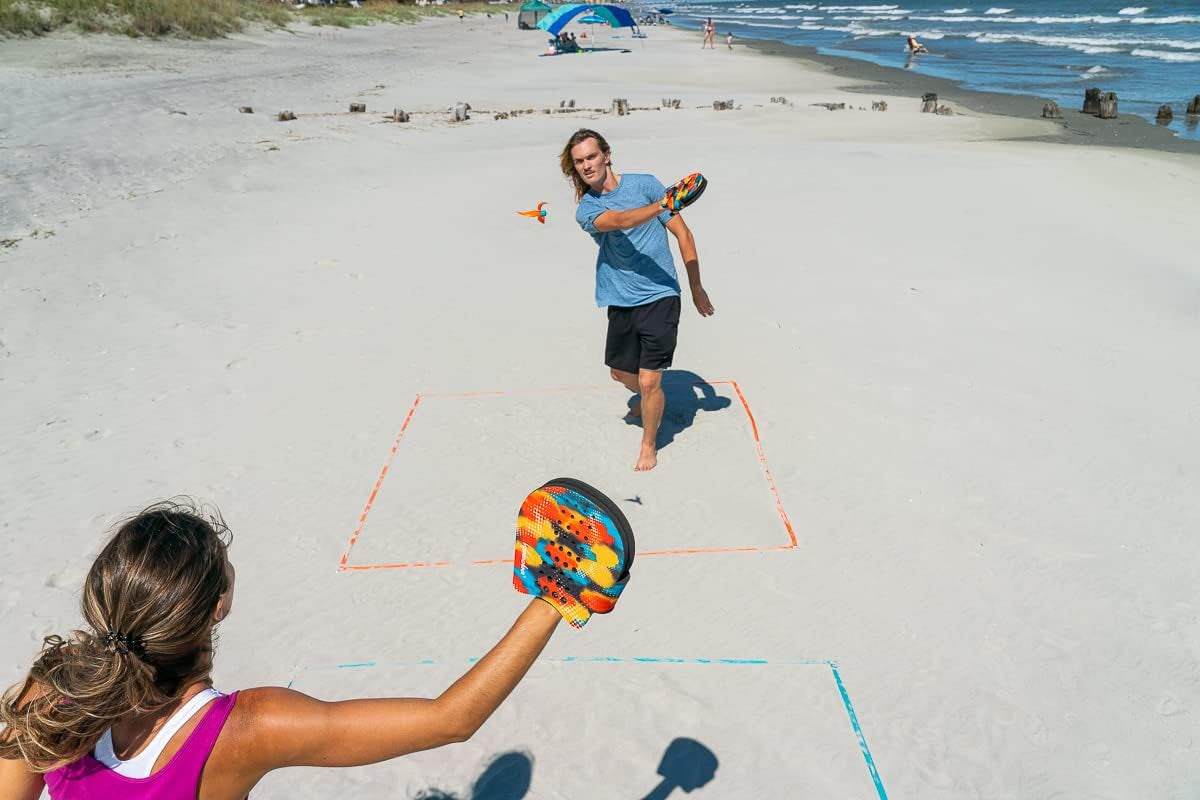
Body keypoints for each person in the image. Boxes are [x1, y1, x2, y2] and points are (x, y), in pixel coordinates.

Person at [0, 500, 564, 799]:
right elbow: (450, 719)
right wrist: (557, 596)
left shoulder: (46, 693)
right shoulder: (246, 729)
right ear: (218, 606)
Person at [561, 129, 715, 472]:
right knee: (620, 373)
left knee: (649, 380)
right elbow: (621, 220)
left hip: (661, 294)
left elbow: (683, 233)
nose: (586, 165)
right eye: (579, 161)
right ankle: (648, 398)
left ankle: (649, 444)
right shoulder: (588, 209)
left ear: (607, 155)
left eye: (591, 156)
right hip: (620, 296)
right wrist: (662, 203)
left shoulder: (645, 184)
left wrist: (695, 286)